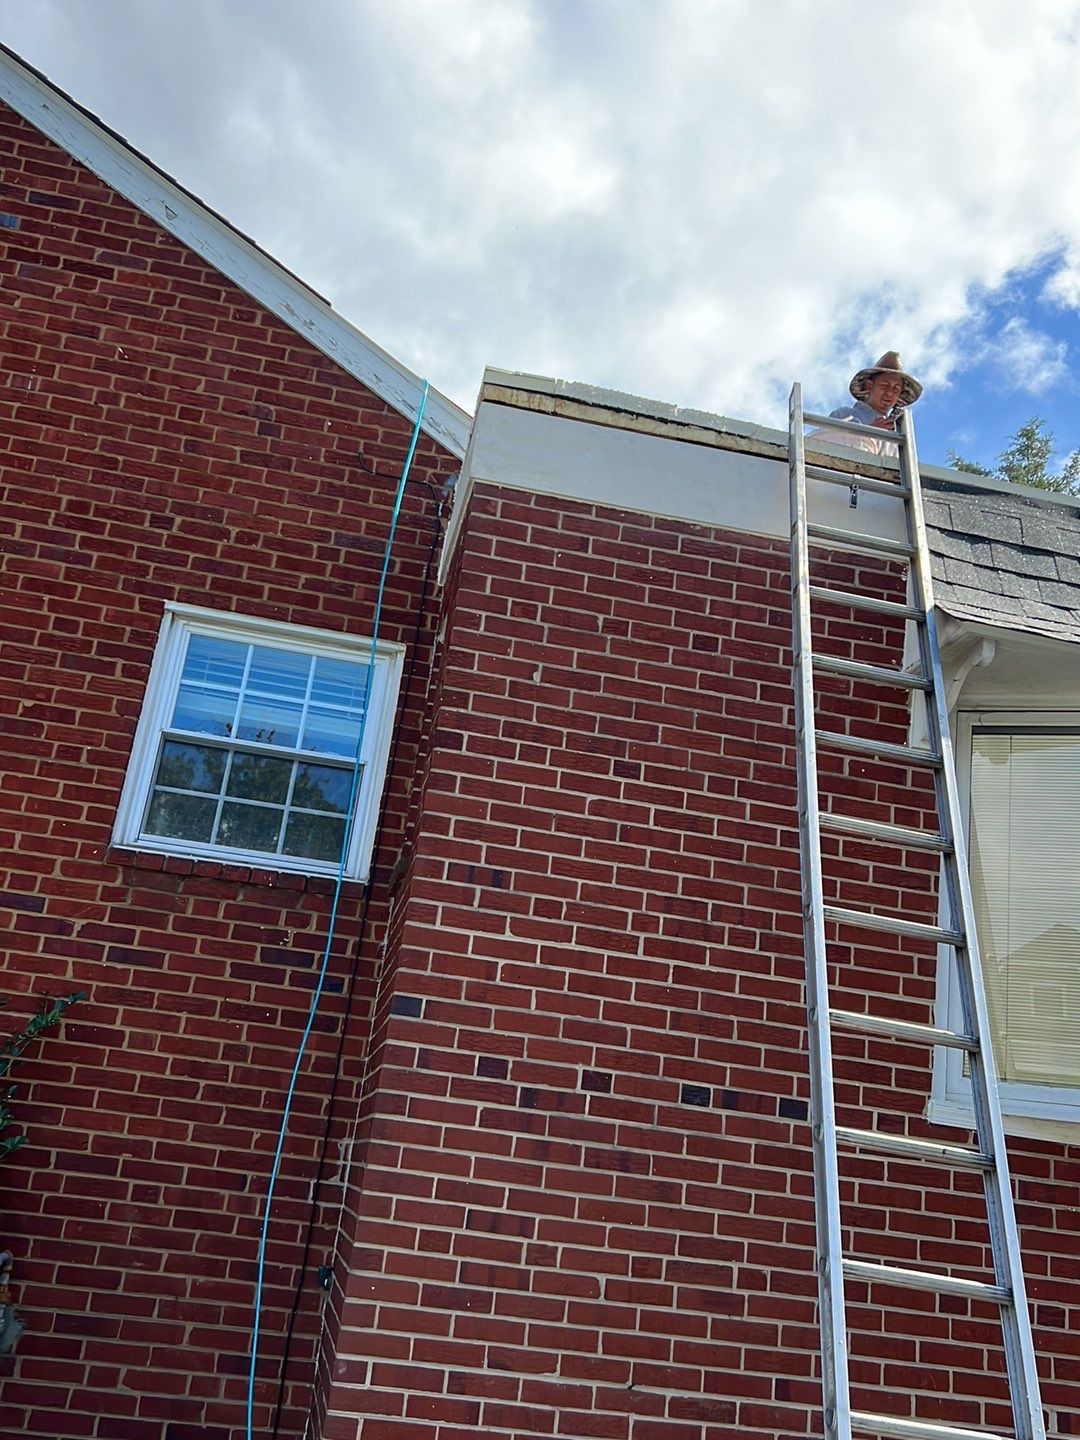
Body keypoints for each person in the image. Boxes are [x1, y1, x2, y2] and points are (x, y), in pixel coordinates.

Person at [815, 351, 923, 457]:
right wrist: (869, 432)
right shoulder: (844, 415)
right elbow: (821, 447)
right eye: (884, 386)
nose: (889, 393)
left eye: (896, 389)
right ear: (869, 386)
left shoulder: (898, 432)